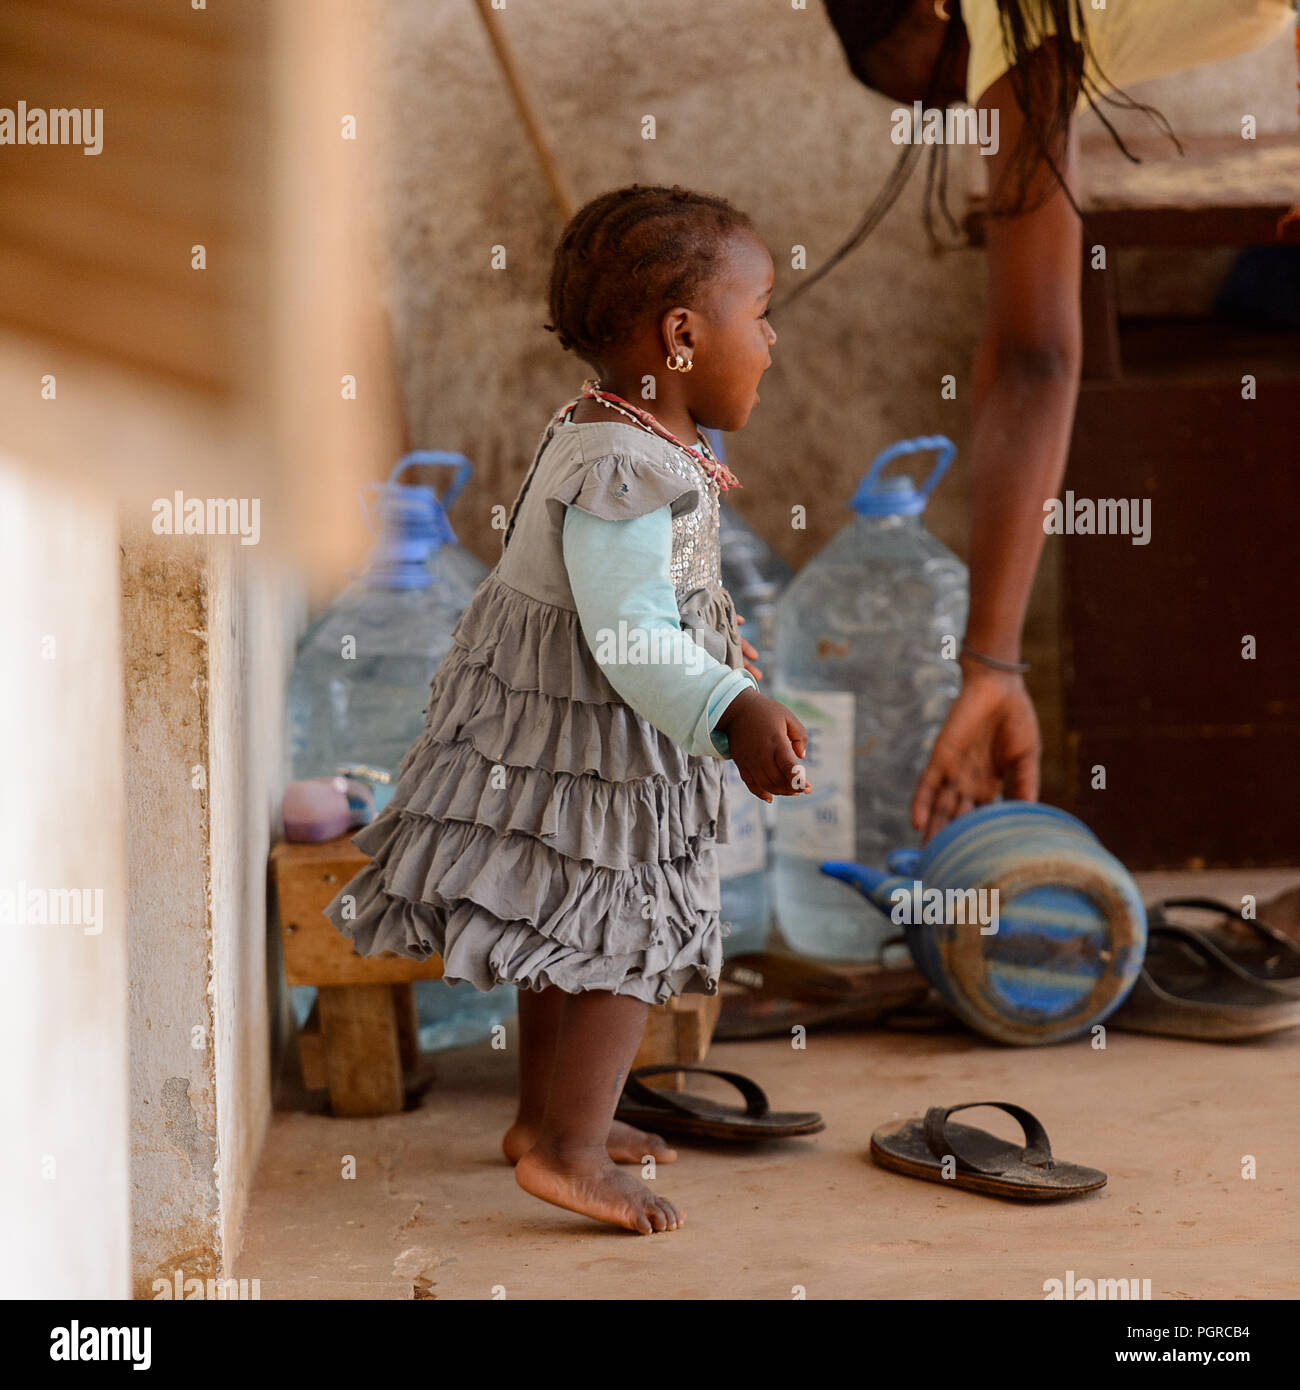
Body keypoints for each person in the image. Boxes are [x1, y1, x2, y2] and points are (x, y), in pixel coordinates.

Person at [323, 184, 808, 1235]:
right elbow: (631, 633)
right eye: (760, 310)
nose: (771, 338)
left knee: (562, 928)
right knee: (621, 931)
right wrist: (735, 704)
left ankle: (546, 1126)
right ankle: (570, 1151)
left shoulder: (615, 431)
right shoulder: (627, 467)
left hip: (571, 728)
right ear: (682, 335)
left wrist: (721, 663)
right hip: (589, 734)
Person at [814, 0, 1299, 840]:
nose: (984, 100)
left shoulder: (1008, 14)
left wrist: (991, 666)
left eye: (959, 71)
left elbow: (1034, 358)